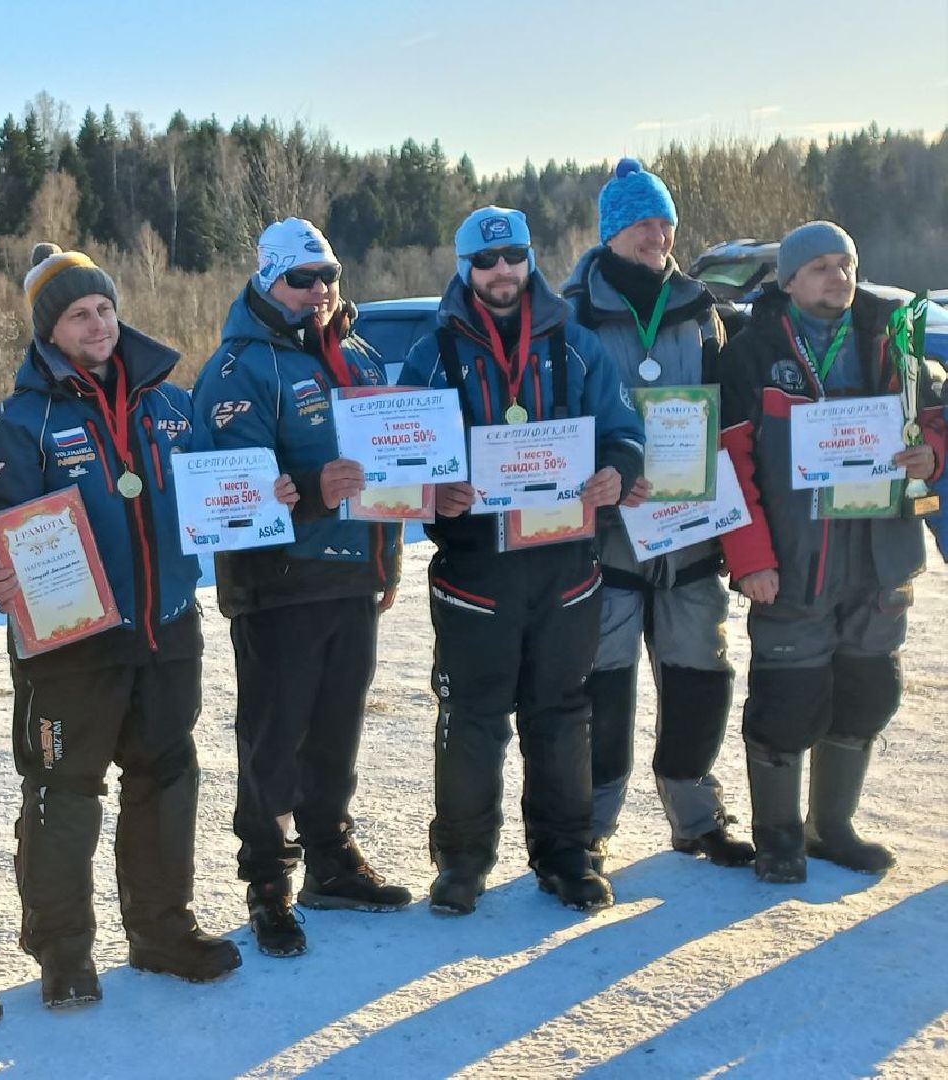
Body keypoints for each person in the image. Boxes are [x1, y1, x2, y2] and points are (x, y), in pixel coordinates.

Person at [0, 243, 250, 1007]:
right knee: (63, 795)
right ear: (48, 330)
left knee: (165, 782)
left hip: (167, 628)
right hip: (71, 648)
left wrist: (264, 498)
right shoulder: (20, 422)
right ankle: (63, 951)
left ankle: (162, 930)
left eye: (103, 308)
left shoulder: (171, 403)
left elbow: (216, 488)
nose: (96, 323)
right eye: (77, 313)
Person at [399, 206, 645, 915]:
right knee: (472, 717)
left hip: (565, 563)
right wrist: (429, 492)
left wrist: (613, 471)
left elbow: (621, 429)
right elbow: (400, 457)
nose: (500, 271)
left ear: (529, 260)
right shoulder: (433, 351)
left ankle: (567, 854)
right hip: (476, 570)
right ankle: (462, 860)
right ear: (464, 269)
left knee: (562, 712)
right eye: (485, 260)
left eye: (512, 257)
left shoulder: (573, 342)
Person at [192, 218, 408, 960]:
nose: (318, 292)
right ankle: (266, 881)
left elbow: (392, 471)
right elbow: (228, 489)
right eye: (300, 278)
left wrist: (389, 556)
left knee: (336, 733)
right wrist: (313, 490)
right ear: (267, 281)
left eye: (328, 277)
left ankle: (330, 860)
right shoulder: (238, 368)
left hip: (352, 575)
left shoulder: (358, 353)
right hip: (279, 583)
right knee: (273, 740)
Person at [718, 221, 945, 883]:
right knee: (788, 701)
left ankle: (831, 827)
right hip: (794, 560)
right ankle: (779, 836)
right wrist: (750, 556)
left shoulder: (894, 339)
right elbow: (731, 463)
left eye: (844, 265)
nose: (836, 278)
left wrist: (932, 457)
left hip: (879, 556)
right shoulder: (753, 353)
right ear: (788, 280)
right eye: (818, 267)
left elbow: (936, 427)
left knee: (869, 692)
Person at [562, 159, 754, 871]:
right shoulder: (572, 311)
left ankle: (696, 816)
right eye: (644, 223)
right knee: (604, 680)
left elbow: (729, 414)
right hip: (607, 535)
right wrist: (601, 473)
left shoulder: (701, 309)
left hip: (690, 527)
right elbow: (556, 424)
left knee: (700, 671)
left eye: (666, 223)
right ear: (613, 231)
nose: (658, 236)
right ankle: (590, 824)